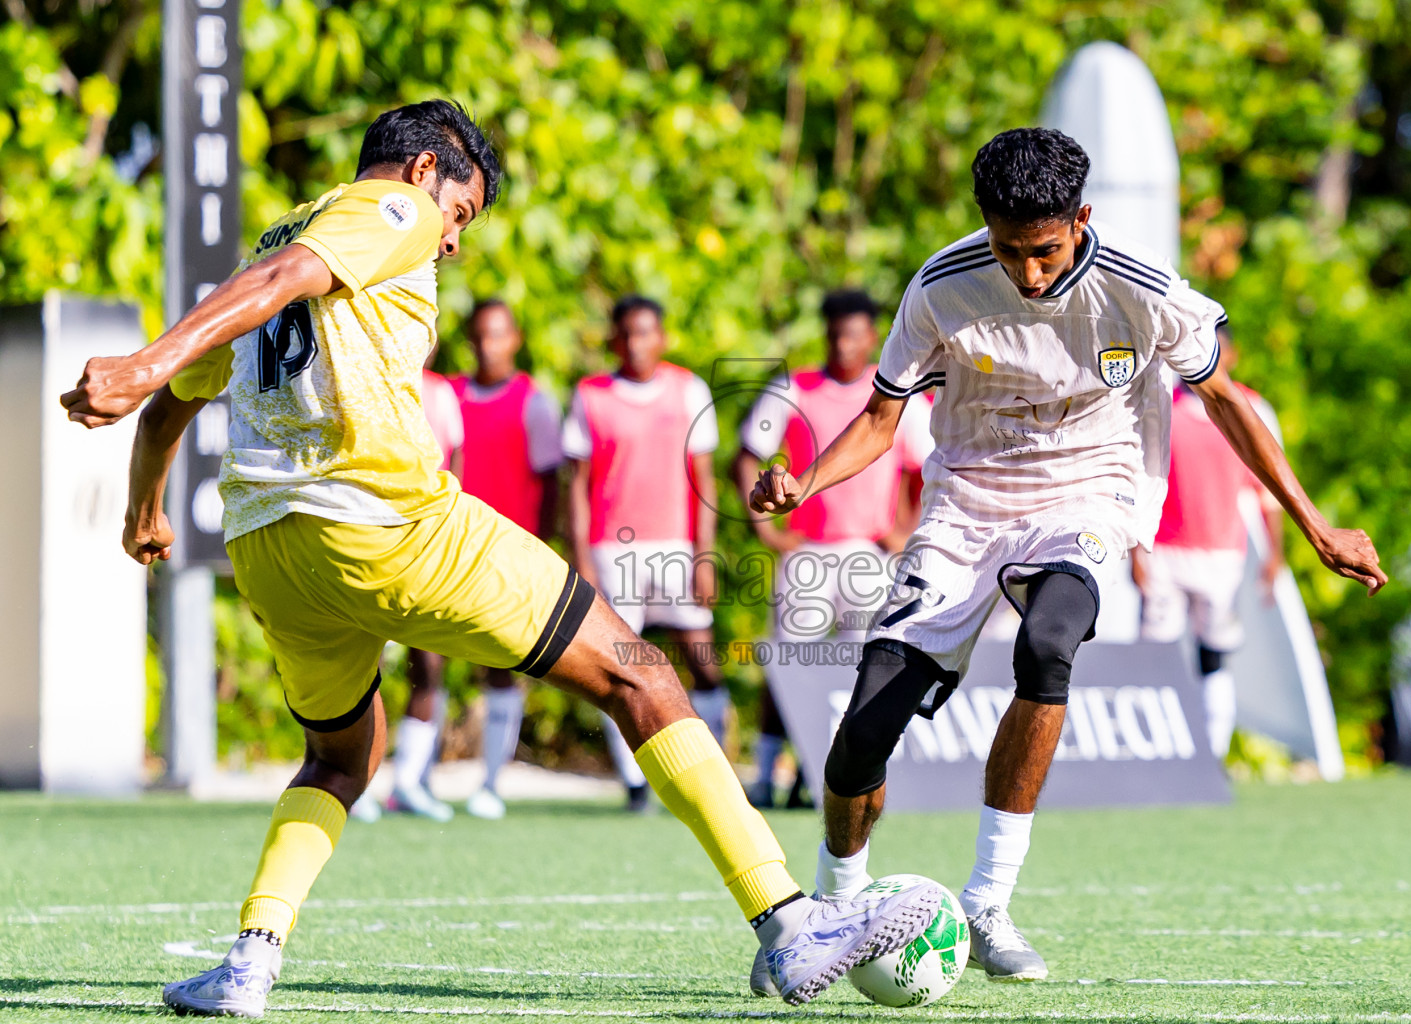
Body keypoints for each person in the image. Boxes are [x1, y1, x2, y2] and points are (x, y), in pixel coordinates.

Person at [61, 99, 941, 1016]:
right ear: (421, 171)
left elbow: (174, 404)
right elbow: (271, 291)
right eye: (461, 213)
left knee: (337, 760)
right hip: (389, 525)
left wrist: (144, 506)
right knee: (641, 675)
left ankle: (249, 964)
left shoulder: (265, 257)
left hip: (274, 551)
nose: (449, 242)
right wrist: (141, 361)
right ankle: (792, 926)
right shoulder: (385, 211)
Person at [748, 127, 1385, 991]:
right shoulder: (940, 285)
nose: (1030, 273)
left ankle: (988, 900)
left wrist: (1314, 525)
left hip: (1091, 495)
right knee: (863, 731)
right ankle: (831, 912)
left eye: (1045, 251)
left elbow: (1227, 402)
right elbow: (881, 415)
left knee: (1048, 643)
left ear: (1081, 218)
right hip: (967, 505)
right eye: (1010, 252)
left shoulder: (1142, 288)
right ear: (984, 225)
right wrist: (807, 482)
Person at [733, 288, 931, 809]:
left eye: (854, 334)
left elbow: (924, 469)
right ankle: (767, 771)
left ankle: (830, 773)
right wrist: (767, 530)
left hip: (870, 554)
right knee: (790, 665)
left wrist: (905, 526)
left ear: (872, 338)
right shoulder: (794, 386)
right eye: (835, 334)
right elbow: (747, 455)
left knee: (861, 671)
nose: (844, 344)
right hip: (809, 555)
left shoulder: (895, 392)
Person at [563, 296, 729, 813]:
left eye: (646, 333)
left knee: (702, 660)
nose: (636, 343)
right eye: (627, 334)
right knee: (620, 666)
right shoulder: (591, 395)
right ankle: (638, 783)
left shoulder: (688, 390)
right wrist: (584, 558)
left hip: (676, 548)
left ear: (662, 338)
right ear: (613, 339)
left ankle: (713, 767)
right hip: (613, 549)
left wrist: (705, 555)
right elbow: (577, 486)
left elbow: (705, 481)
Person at [1132, 325, 1285, 758]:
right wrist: (1135, 552)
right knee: (1156, 651)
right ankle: (1153, 750)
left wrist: (1276, 554)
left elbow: (1268, 491)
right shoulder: (1160, 406)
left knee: (1213, 651)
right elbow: (1139, 482)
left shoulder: (1252, 410)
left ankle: (1211, 753)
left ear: (1232, 355)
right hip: (1163, 552)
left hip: (1221, 555)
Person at [446, 298, 565, 821]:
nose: (487, 346)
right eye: (479, 336)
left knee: (501, 664)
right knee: (426, 662)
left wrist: (540, 548)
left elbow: (552, 484)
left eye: (498, 335)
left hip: (507, 552)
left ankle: (492, 781)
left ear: (514, 339)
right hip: (448, 546)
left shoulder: (533, 403)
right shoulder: (447, 394)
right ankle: (409, 780)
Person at [375, 346, 466, 824]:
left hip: (428, 544)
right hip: (374, 540)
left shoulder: (441, 393)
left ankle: (408, 783)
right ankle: (360, 783)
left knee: (428, 664)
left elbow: (456, 465)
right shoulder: (369, 379)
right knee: (365, 663)